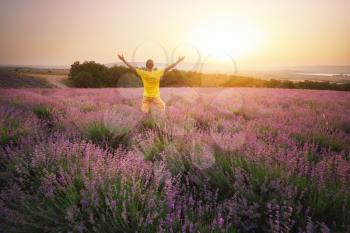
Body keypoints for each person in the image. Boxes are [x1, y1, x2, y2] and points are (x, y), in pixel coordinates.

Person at [117, 54, 185, 113]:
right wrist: (178, 61)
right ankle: (161, 121)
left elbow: (132, 68)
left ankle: (143, 124)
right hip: (155, 96)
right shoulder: (158, 73)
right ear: (153, 66)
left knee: (143, 112)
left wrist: (123, 60)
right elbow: (170, 67)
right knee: (162, 107)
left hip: (146, 97)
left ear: (146, 66)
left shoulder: (143, 73)